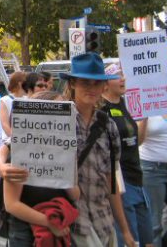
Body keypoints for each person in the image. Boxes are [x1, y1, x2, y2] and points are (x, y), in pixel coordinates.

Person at [60, 53, 135, 247]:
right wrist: (2, 164)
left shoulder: (108, 125)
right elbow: (16, 145)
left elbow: (112, 182)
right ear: (73, 84)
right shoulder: (58, 121)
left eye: (97, 83)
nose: (91, 89)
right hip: (70, 221)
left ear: (104, 86)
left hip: (103, 222)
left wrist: (125, 230)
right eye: (86, 82)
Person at [0, 91, 80, 246]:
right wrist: (49, 223)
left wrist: (65, 177)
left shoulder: (66, 149)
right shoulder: (21, 150)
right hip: (25, 233)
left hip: (59, 226)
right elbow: (12, 204)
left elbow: (75, 194)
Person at [100, 64, 153, 247]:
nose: (123, 79)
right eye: (117, 76)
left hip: (137, 177)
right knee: (131, 241)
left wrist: (145, 118)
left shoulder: (125, 104)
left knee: (148, 241)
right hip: (120, 182)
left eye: (123, 75)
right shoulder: (101, 110)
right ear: (105, 84)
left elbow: (137, 141)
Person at [138, 91, 167, 246]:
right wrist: (144, 116)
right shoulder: (142, 104)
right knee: (154, 223)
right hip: (151, 168)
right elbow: (138, 139)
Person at [0, 71, 27, 141]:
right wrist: (16, 140)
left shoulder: (28, 99)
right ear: (20, 84)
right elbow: (5, 124)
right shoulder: (5, 100)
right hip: (10, 142)